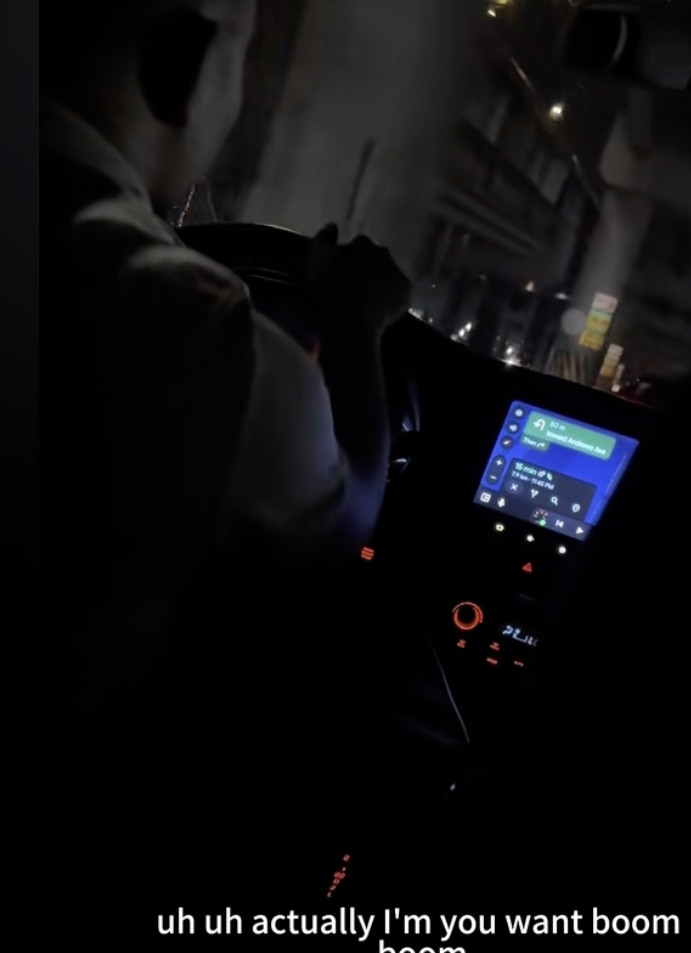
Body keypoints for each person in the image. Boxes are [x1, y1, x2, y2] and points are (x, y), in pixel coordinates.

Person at [41, 0, 411, 780]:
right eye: (244, 60)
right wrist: (356, 325)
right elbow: (347, 519)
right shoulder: (184, 317)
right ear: (185, 62)